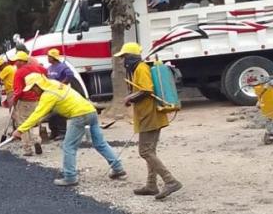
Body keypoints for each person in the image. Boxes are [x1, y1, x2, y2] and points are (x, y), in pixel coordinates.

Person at [12, 73, 126, 186]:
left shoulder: (48, 95)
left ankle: (70, 176)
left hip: (78, 116)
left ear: (38, 85)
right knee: (100, 143)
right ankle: (118, 168)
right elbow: (56, 107)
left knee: (69, 146)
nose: (33, 92)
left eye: (33, 88)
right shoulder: (54, 84)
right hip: (91, 111)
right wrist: (42, 118)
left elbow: (36, 114)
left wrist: (20, 130)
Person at [114, 42, 182, 200]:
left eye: (124, 57)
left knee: (145, 151)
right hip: (147, 115)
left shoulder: (141, 68)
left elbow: (147, 90)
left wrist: (129, 97)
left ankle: (170, 181)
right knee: (150, 150)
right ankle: (151, 185)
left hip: (149, 115)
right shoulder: (138, 69)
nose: (123, 61)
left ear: (131, 57)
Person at [11, 51, 47, 157]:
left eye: (17, 61)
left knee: (23, 124)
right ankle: (37, 140)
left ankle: (27, 148)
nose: (15, 63)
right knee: (35, 122)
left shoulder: (19, 72)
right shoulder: (37, 68)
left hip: (24, 101)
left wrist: (14, 101)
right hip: (37, 100)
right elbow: (46, 71)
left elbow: (18, 90)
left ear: (22, 61)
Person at [46, 48, 75, 140]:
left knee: (59, 113)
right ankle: (53, 132)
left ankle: (62, 132)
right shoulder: (49, 68)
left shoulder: (62, 66)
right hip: (51, 93)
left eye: (49, 56)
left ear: (53, 57)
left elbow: (70, 75)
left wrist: (62, 84)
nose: (48, 58)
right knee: (51, 114)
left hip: (60, 94)